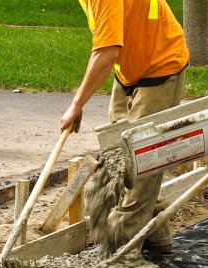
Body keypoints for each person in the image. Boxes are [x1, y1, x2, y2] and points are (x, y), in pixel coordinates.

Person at [61, 0, 189, 254]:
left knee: (142, 162)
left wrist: (76, 103)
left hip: (161, 63)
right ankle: (155, 232)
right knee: (116, 156)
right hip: (129, 68)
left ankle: (119, 248)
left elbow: (107, 51)